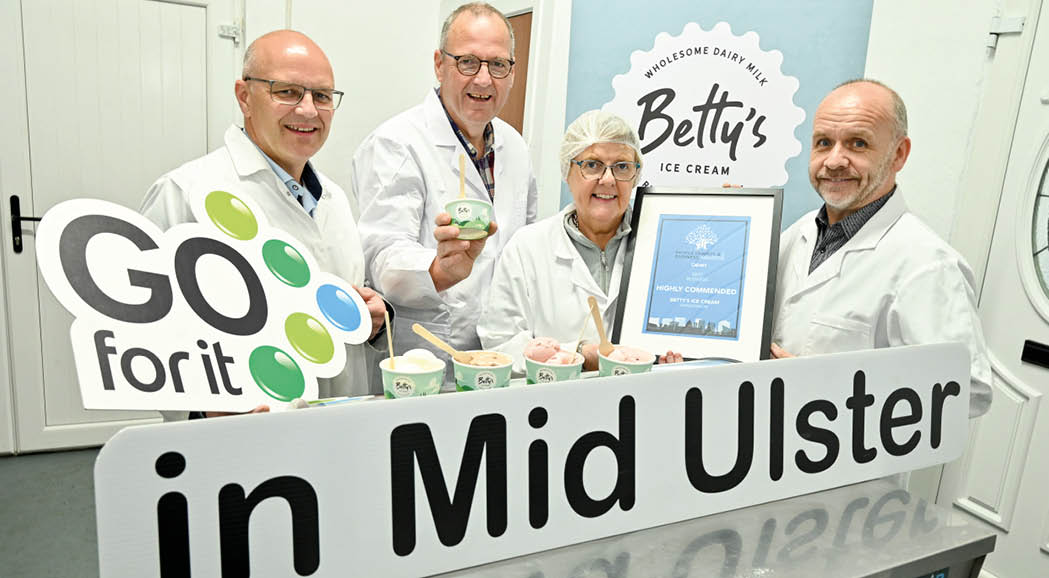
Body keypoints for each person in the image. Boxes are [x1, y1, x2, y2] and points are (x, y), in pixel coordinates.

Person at [140, 30, 387, 417]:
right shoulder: (186, 192)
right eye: (286, 91)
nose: (308, 110)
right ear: (244, 96)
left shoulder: (335, 200)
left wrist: (367, 319)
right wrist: (201, 413)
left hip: (341, 422)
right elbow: (148, 330)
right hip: (238, 435)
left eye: (322, 96)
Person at [770, 79, 991, 417]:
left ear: (898, 154)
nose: (834, 161)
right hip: (761, 451)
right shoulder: (795, 233)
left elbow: (967, 392)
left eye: (857, 144)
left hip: (846, 466)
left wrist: (820, 386)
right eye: (823, 143)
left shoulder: (928, 264)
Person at [353, 2, 537, 376]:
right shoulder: (396, 142)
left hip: (502, 356)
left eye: (498, 65)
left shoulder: (514, 146)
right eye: (468, 62)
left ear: (513, 73)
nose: (483, 80)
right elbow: (381, 254)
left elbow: (524, 245)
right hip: (422, 358)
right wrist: (438, 270)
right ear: (440, 64)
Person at [478, 110, 682, 373]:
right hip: (555, 406)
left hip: (647, 402)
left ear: (635, 176)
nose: (608, 180)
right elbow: (500, 344)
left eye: (622, 166)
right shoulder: (527, 248)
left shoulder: (667, 242)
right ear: (567, 171)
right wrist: (575, 356)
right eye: (592, 165)